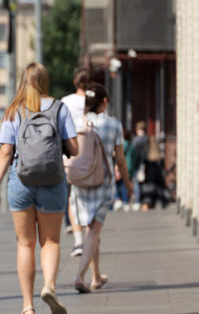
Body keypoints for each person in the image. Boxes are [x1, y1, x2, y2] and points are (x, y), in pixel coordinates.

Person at [0, 62, 78, 314]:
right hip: (53, 181)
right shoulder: (59, 108)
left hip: (21, 181)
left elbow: (6, 152)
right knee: (50, 241)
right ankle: (49, 286)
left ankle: (27, 306)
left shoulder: (13, 111)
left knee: (25, 244)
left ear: (23, 81)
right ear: (45, 81)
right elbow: (74, 148)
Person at [70, 83, 133, 293]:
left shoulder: (78, 122)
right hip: (103, 181)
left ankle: (96, 277)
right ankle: (80, 276)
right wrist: (127, 182)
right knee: (94, 230)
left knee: (91, 231)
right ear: (104, 101)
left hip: (80, 180)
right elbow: (120, 159)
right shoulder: (113, 124)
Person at [61, 68, 92, 257]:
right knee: (89, 198)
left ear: (75, 82)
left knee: (72, 198)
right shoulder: (94, 98)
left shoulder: (66, 102)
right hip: (91, 155)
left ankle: (79, 241)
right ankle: (91, 236)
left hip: (70, 155)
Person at [140, 137, 170, 211]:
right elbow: (162, 172)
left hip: (147, 183)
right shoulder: (159, 158)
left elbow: (142, 169)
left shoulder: (145, 157)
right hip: (157, 184)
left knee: (146, 203)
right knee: (154, 204)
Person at [113, 130, 138, 212]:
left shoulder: (119, 146)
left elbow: (117, 157)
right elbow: (135, 157)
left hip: (119, 168)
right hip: (129, 168)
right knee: (125, 185)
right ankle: (125, 202)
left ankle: (117, 200)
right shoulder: (132, 146)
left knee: (117, 185)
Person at [131, 121, 149, 211]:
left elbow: (133, 154)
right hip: (147, 163)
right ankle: (146, 201)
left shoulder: (135, 140)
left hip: (138, 164)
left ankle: (137, 201)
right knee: (146, 183)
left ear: (137, 130)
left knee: (137, 183)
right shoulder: (148, 139)